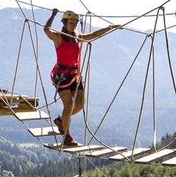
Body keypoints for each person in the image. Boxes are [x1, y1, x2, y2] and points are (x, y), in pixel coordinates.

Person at [43, 9, 119, 146]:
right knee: (69, 104)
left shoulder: (78, 36)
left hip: (75, 75)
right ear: (65, 22)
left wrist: (109, 28)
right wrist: (52, 15)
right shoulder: (58, 37)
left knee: (79, 105)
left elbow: (94, 35)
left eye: (75, 22)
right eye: (70, 22)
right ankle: (66, 136)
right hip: (62, 76)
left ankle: (61, 121)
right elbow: (46, 29)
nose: (73, 25)